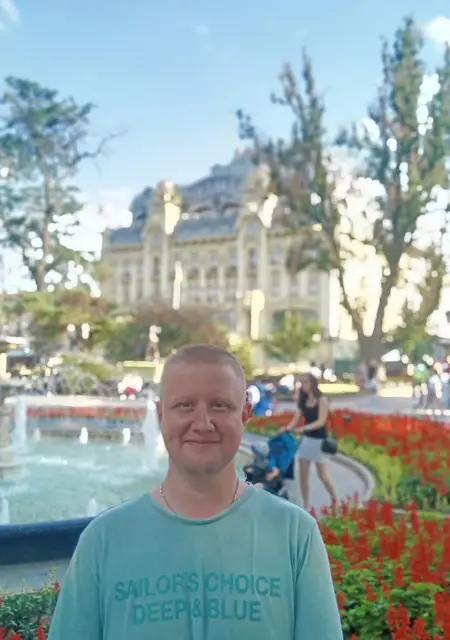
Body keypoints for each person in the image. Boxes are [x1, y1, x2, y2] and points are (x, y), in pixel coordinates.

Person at [48, 344, 343, 640]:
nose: (202, 424)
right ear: (160, 414)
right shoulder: (103, 540)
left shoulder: (295, 535)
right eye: (185, 405)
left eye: (219, 405)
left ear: (245, 414)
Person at [283, 373, 337, 511]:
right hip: (306, 440)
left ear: (313, 383)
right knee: (303, 475)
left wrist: (303, 428)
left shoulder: (321, 399)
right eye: (302, 382)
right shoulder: (304, 400)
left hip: (319, 440)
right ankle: (305, 506)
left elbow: (321, 421)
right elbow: (296, 418)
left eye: (306, 382)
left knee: (322, 474)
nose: (303, 385)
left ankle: (335, 499)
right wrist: (288, 428)